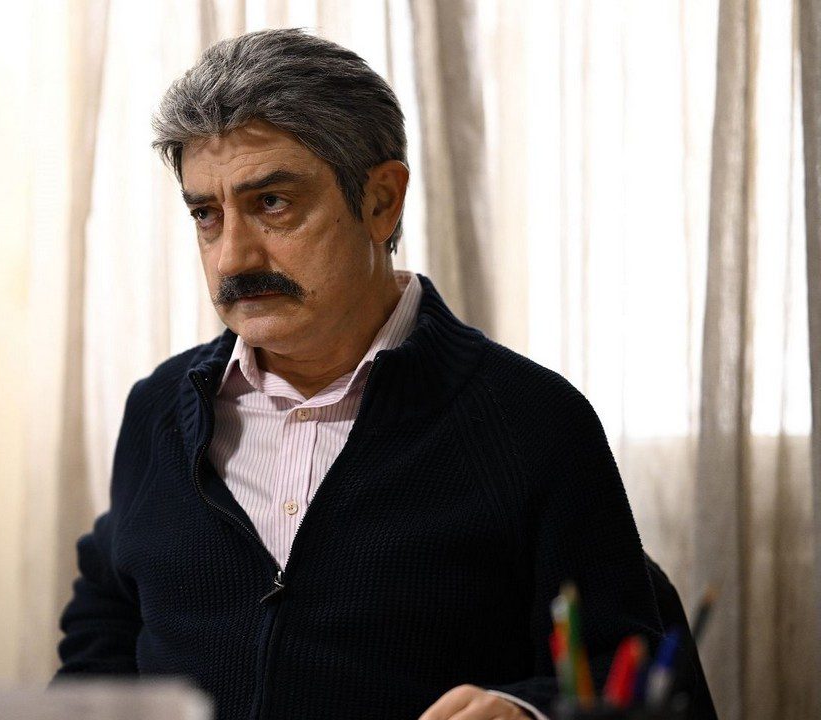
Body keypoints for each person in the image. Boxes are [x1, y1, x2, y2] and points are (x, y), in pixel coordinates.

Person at [56, 28, 673, 720]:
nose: (232, 257)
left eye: (272, 203)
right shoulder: (159, 411)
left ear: (382, 201)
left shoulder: (532, 422)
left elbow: (635, 682)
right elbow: (107, 624)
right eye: (207, 214)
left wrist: (522, 709)